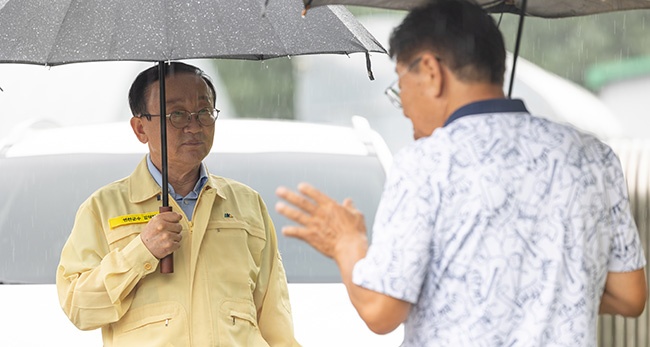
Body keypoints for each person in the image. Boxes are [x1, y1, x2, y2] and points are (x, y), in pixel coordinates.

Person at [275, 1, 647, 346]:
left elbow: (380, 310)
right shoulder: (593, 157)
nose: (403, 107)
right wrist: (532, 282)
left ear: (431, 71)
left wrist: (346, 242)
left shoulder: (426, 163)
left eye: (400, 85)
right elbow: (630, 297)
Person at [56, 62, 299, 346]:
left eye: (204, 112)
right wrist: (141, 252)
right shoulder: (103, 208)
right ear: (140, 128)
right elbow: (79, 309)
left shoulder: (247, 204)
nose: (194, 126)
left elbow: (275, 320)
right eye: (177, 114)